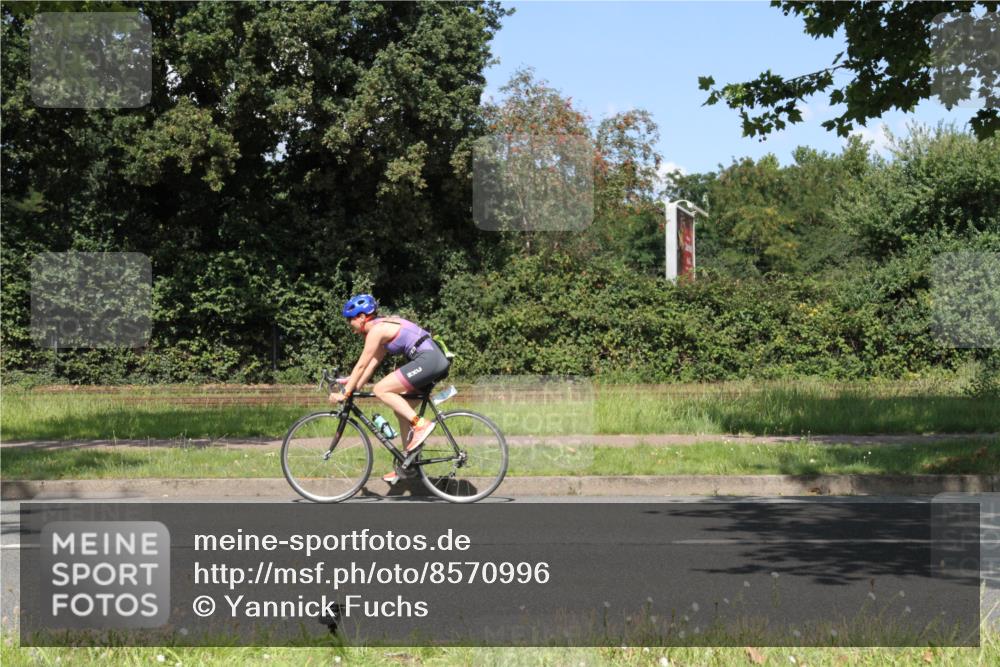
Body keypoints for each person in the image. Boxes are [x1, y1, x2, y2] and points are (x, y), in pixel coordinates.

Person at [328, 294, 451, 484]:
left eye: (350, 319)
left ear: (362, 317)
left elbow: (361, 365)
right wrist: (352, 385)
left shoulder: (376, 331)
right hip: (432, 360)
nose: (349, 324)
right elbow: (370, 366)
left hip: (429, 359)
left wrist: (345, 394)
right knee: (401, 410)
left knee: (381, 389)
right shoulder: (382, 330)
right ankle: (408, 465)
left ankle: (421, 424)